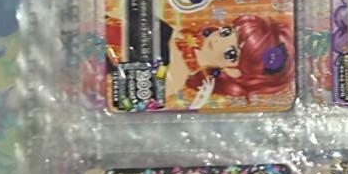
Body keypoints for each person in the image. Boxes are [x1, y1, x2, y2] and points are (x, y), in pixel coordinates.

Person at [106, 13, 292, 109]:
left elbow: (121, 98)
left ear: (233, 71)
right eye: (227, 32)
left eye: (231, 53)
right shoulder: (174, 32)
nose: (219, 40)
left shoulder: (175, 77)